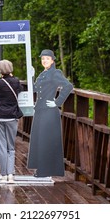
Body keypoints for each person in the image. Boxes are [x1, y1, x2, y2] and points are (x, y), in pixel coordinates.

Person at [27, 49, 73, 183]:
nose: (44, 61)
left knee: (45, 140)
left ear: (52, 60)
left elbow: (68, 86)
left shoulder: (55, 73)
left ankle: (44, 170)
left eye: (47, 58)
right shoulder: (43, 73)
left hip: (49, 111)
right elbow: (36, 89)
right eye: (42, 59)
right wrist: (31, 76)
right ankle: (42, 168)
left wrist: (57, 102)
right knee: (40, 139)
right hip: (40, 110)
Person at [0, 60, 23, 183]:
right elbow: (20, 89)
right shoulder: (16, 81)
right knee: (11, 147)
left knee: (1, 147)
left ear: (0, 70)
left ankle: (3, 175)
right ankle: (11, 175)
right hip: (12, 117)